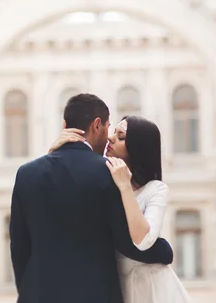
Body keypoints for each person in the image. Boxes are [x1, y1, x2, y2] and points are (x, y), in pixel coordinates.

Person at [9, 93, 174, 303]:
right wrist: (163, 251)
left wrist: (28, 290)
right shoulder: (107, 173)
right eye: (108, 128)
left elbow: (19, 244)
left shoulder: (26, 173)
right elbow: (125, 241)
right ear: (97, 125)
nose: (109, 138)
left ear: (64, 124)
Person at [50, 115, 189, 303]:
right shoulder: (100, 179)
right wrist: (56, 154)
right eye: (113, 132)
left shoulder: (155, 189)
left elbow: (143, 240)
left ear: (137, 147)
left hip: (151, 287)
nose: (110, 138)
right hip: (113, 285)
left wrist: (125, 185)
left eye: (121, 136)